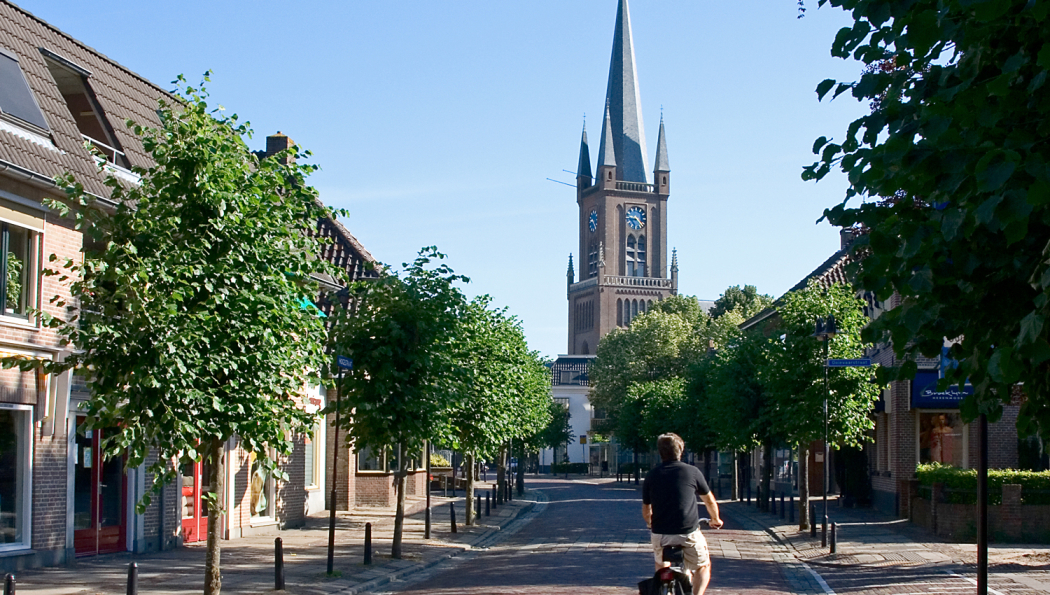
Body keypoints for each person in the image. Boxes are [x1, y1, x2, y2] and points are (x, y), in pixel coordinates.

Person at [642, 433, 723, 595]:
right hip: (687, 532)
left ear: (660, 452)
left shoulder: (652, 475)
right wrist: (715, 519)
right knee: (703, 566)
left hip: (660, 533)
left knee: (661, 564)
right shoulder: (692, 472)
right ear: (681, 450)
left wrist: (650, 523)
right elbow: (709, 501)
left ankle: (662, 585)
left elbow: (646, 509)